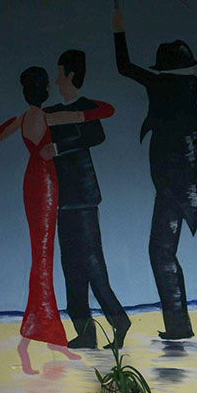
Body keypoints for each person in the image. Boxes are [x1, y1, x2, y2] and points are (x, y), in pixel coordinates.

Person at [0, 66, 114, 372]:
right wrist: (75, 108)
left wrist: (19, 122)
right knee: (43, 263)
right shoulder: (49, 117)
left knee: (41, 261)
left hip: (32, 181)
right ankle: (35, 341)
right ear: (43, 89)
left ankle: (48, 339)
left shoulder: (25, 119)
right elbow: (105, 111)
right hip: (47, 184)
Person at [113, 10, 197, 341]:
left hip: (174, 191)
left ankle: (179, 327)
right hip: (178, 190)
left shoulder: (170, 89)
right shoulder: (185, 92)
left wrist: (118, 30)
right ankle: (179, 325)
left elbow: (125, 67)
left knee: (161, 253)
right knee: (163, 254)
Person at [43, 49, 130, 350]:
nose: (56, 80)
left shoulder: (85, 108)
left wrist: (59, 147)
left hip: (83, 197)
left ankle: (118, 320)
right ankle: (85, 332)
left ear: (70, 75)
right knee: (71, 267)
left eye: (59, 73)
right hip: (63, 198)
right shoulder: (53, 110)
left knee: (93, 264)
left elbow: (95, 136)